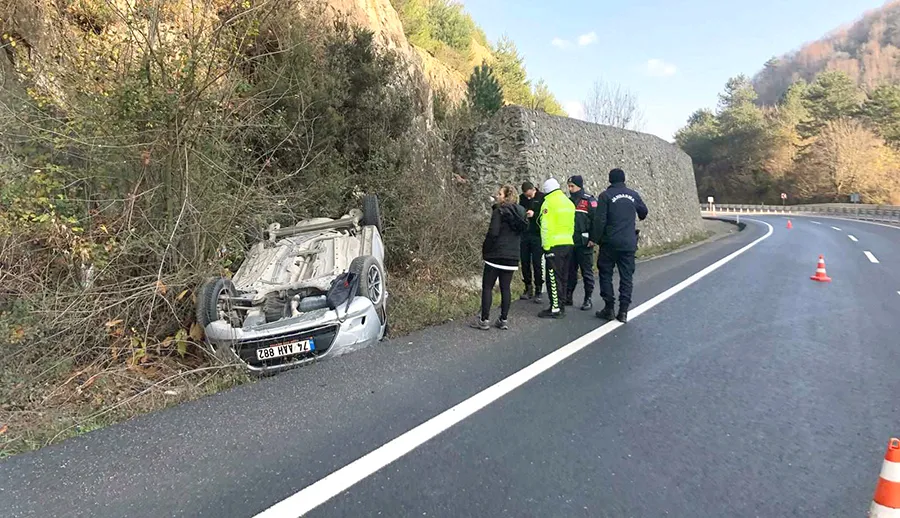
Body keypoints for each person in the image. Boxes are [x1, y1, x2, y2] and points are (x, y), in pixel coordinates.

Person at [590, 168, 649, 323]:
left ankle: (609, 308)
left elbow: (600, 220)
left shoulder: (605, 196)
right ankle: (623, 311)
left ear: (610, 180)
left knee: (605, 273)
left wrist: (594, 239)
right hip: (629, 242)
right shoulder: (633, 195)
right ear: (624, 179)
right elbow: (643, 212)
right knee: (626, 276)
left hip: (610, 243)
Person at [471, 184, 528, 331]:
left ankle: (484, 319)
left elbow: (493, 233)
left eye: (500, 194)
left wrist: (486, 249)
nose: (497, 195)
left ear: (506, 196)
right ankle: (503, 319)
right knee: (505, 288)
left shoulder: (499, 211)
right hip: (512, 257)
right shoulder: (521, 213)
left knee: (487, 287)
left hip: (496, 255)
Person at [536, 178, 575, 319]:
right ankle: (561, 305)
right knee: (564, 277)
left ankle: (555, 308)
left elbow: (545, 226)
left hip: (553, 245)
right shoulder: (569, 203)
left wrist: (546, 246)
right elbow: (572, 225)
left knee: (553, 277)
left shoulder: (548, 203)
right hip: (568, 243)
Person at [565, 175, 598, 311]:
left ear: (579, 186)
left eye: (572, 186)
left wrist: (594, 239)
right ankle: (568, 296)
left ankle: (588, 298)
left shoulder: (589, 201)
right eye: (569, 186)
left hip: (585, 242)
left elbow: (596, 221)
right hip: (570, 241)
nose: (570, 189)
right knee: (570, 271)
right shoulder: (567, 201)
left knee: (587, 272)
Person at [518, 181, 545, 303]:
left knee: (537, 263)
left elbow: (546, 214)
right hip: (525, 234)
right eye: (526, 195)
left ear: (533, 189)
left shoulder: (542, 198)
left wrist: (535, 214)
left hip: (537, 234)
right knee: (524, 262)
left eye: (530, 195)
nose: (528, 197)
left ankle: (539, 288)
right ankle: (528, 287)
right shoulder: (521, 199)